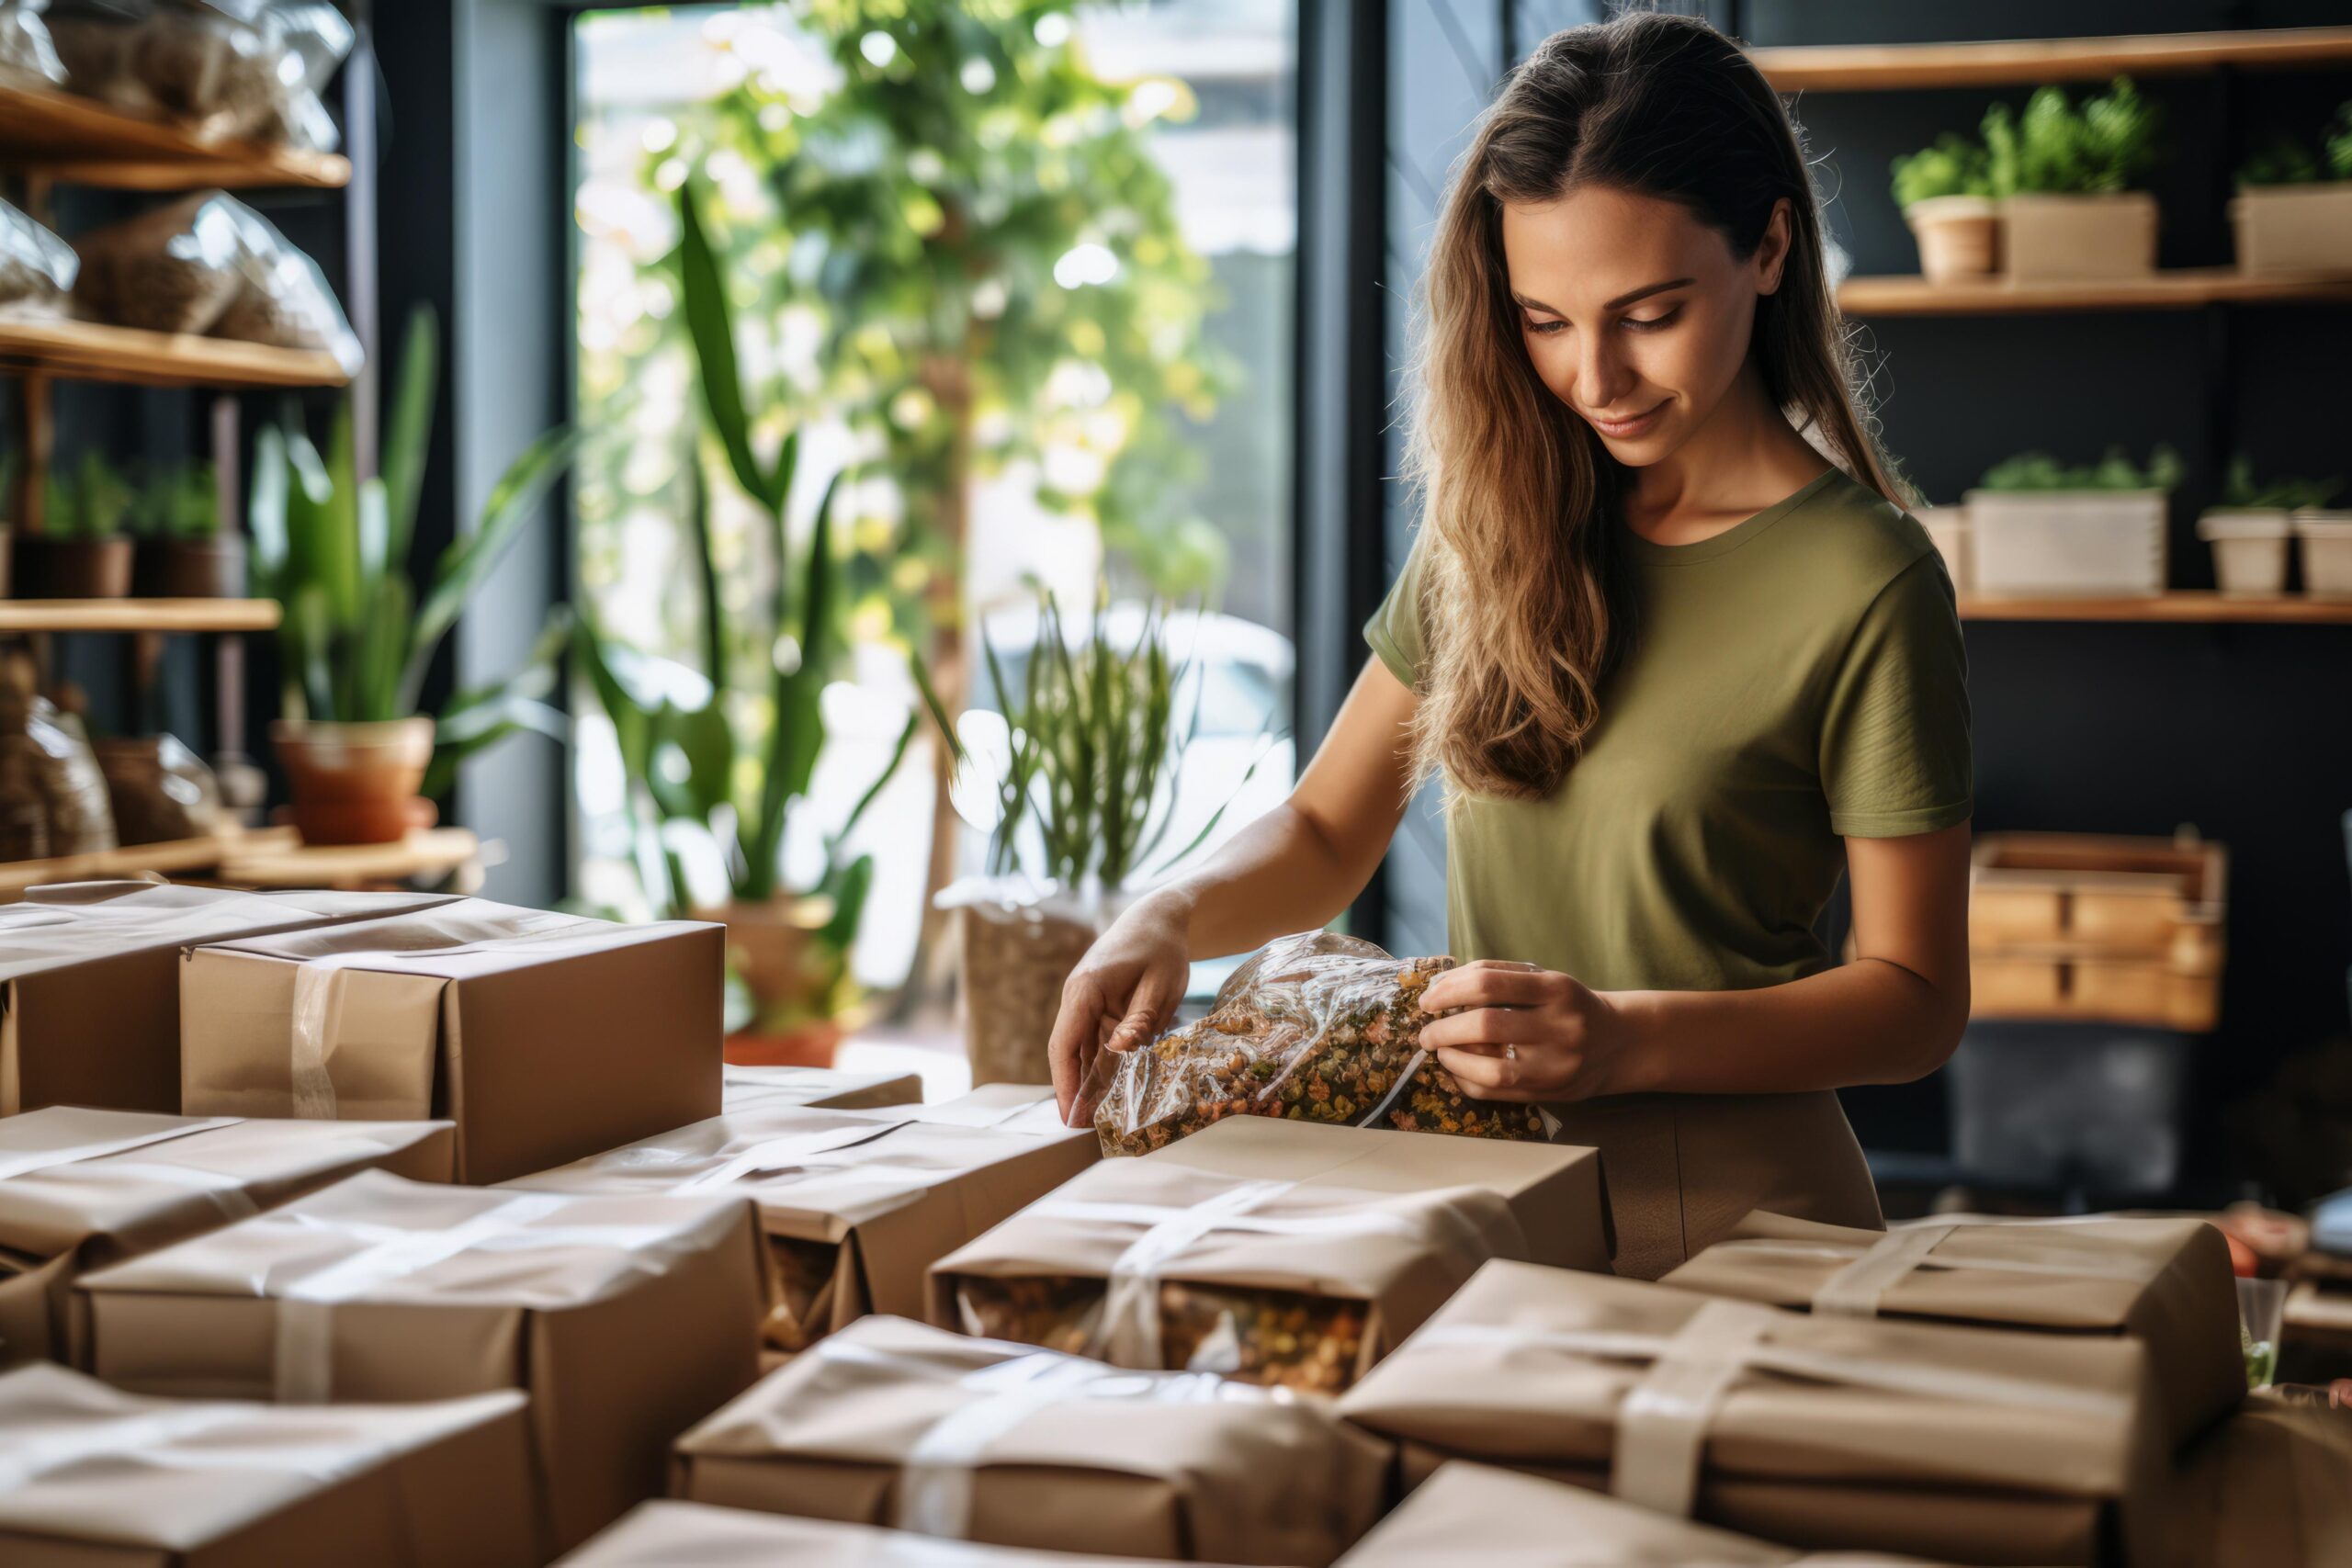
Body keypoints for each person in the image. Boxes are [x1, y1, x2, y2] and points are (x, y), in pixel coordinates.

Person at [1047, 10, 1973, 1280]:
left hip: (1746, 1223)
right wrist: (1164, 915)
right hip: (1488, 1199)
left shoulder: (1867, 579)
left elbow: (1917, 998)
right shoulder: (1496, 531)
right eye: (1545, 321)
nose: (1595, 377)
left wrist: (1626, 1041)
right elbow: (1325, 835)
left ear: (1767, 247)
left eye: (1649, 313)